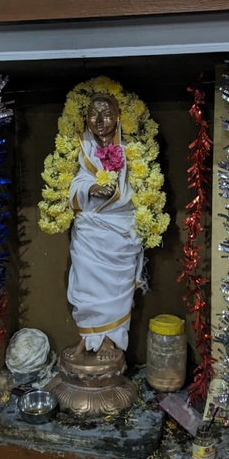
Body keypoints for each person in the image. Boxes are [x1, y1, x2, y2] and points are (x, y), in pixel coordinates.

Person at [65, 94, 146, 362]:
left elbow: (138, 187)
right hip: (90, 228)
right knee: (85, 283)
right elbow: (77, 180)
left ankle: (110, 339)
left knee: (116, 287)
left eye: (107, 114)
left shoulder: (130, 147)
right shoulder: (81, 144)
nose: (99, 120)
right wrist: (91, 188)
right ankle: (86, 336)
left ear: (119, 117)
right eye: (93, 114)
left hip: (119, 226)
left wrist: (115, 194)